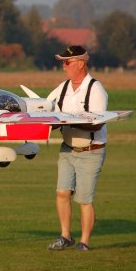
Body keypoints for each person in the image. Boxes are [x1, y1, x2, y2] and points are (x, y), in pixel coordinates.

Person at [46, 45, 108, 252]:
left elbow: (97, 123)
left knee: (83, 199)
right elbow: (48, 111)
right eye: (63, 62)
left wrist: (69, 121)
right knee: (62, 193)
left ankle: (84, 242)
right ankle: (65, 236)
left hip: (91, 151)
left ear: (80, 63)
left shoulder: (95, 89)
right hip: (67, 148)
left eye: (67, 62)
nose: (64, 66)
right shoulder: (63, 88)